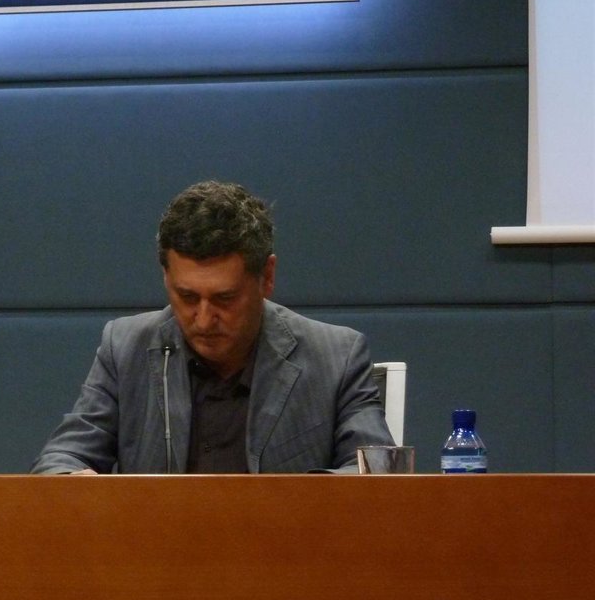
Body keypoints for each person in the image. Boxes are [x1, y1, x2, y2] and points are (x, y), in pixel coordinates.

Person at [32, 180, 391, 475]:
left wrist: (294, 505)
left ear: (267, 277)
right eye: (187, 297)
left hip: (286, 540)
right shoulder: (125, 347)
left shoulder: (337, 356)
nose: (203, 319)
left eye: (225, 298)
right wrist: (72, 482)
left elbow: (376, 472)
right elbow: (60, 459)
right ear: (165, 277)